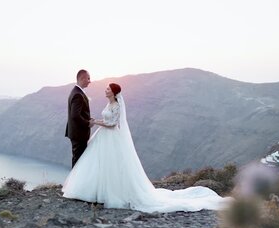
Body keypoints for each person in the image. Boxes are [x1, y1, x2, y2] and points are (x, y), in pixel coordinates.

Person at [62, 83, 233, 213]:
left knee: (112, 164)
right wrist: (96, 121)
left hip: (110, 137)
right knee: (101, 163)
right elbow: (108, 120)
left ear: (114, 92)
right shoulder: (109, 104)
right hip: (104, 136)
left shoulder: (117, 105)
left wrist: (95, 122)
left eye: (108, 89)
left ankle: (110, 193)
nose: (105, 90)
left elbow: (113, 123)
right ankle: (95, 190)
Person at [65, 69, 95, 167]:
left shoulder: (76, 91)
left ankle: (74, 182)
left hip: (76, 133)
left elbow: (79, 113)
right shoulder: (78, 94)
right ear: (82, 79)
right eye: (88, 78)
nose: (90, 81)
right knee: (78, 161)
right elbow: (75, 115)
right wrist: (88, 123)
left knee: (78, 159)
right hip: (79, 135)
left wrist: (88, 119)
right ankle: (73, 182)